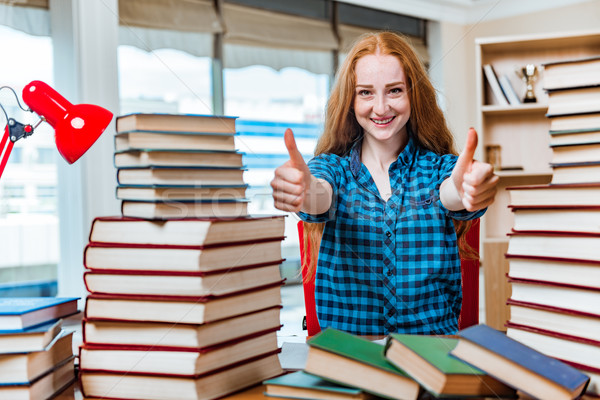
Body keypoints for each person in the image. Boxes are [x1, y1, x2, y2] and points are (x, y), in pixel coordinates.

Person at [270, 31, 498, 336]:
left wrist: (466, 188)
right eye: (366, 92)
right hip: (350, 360)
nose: (380, 107)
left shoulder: (437, 169)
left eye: (394, 91)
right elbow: (319, 194)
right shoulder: (332, 170)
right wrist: (302, 190)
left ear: (413, 95)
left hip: (428, 358)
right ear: (350, 101)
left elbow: (450, 192)